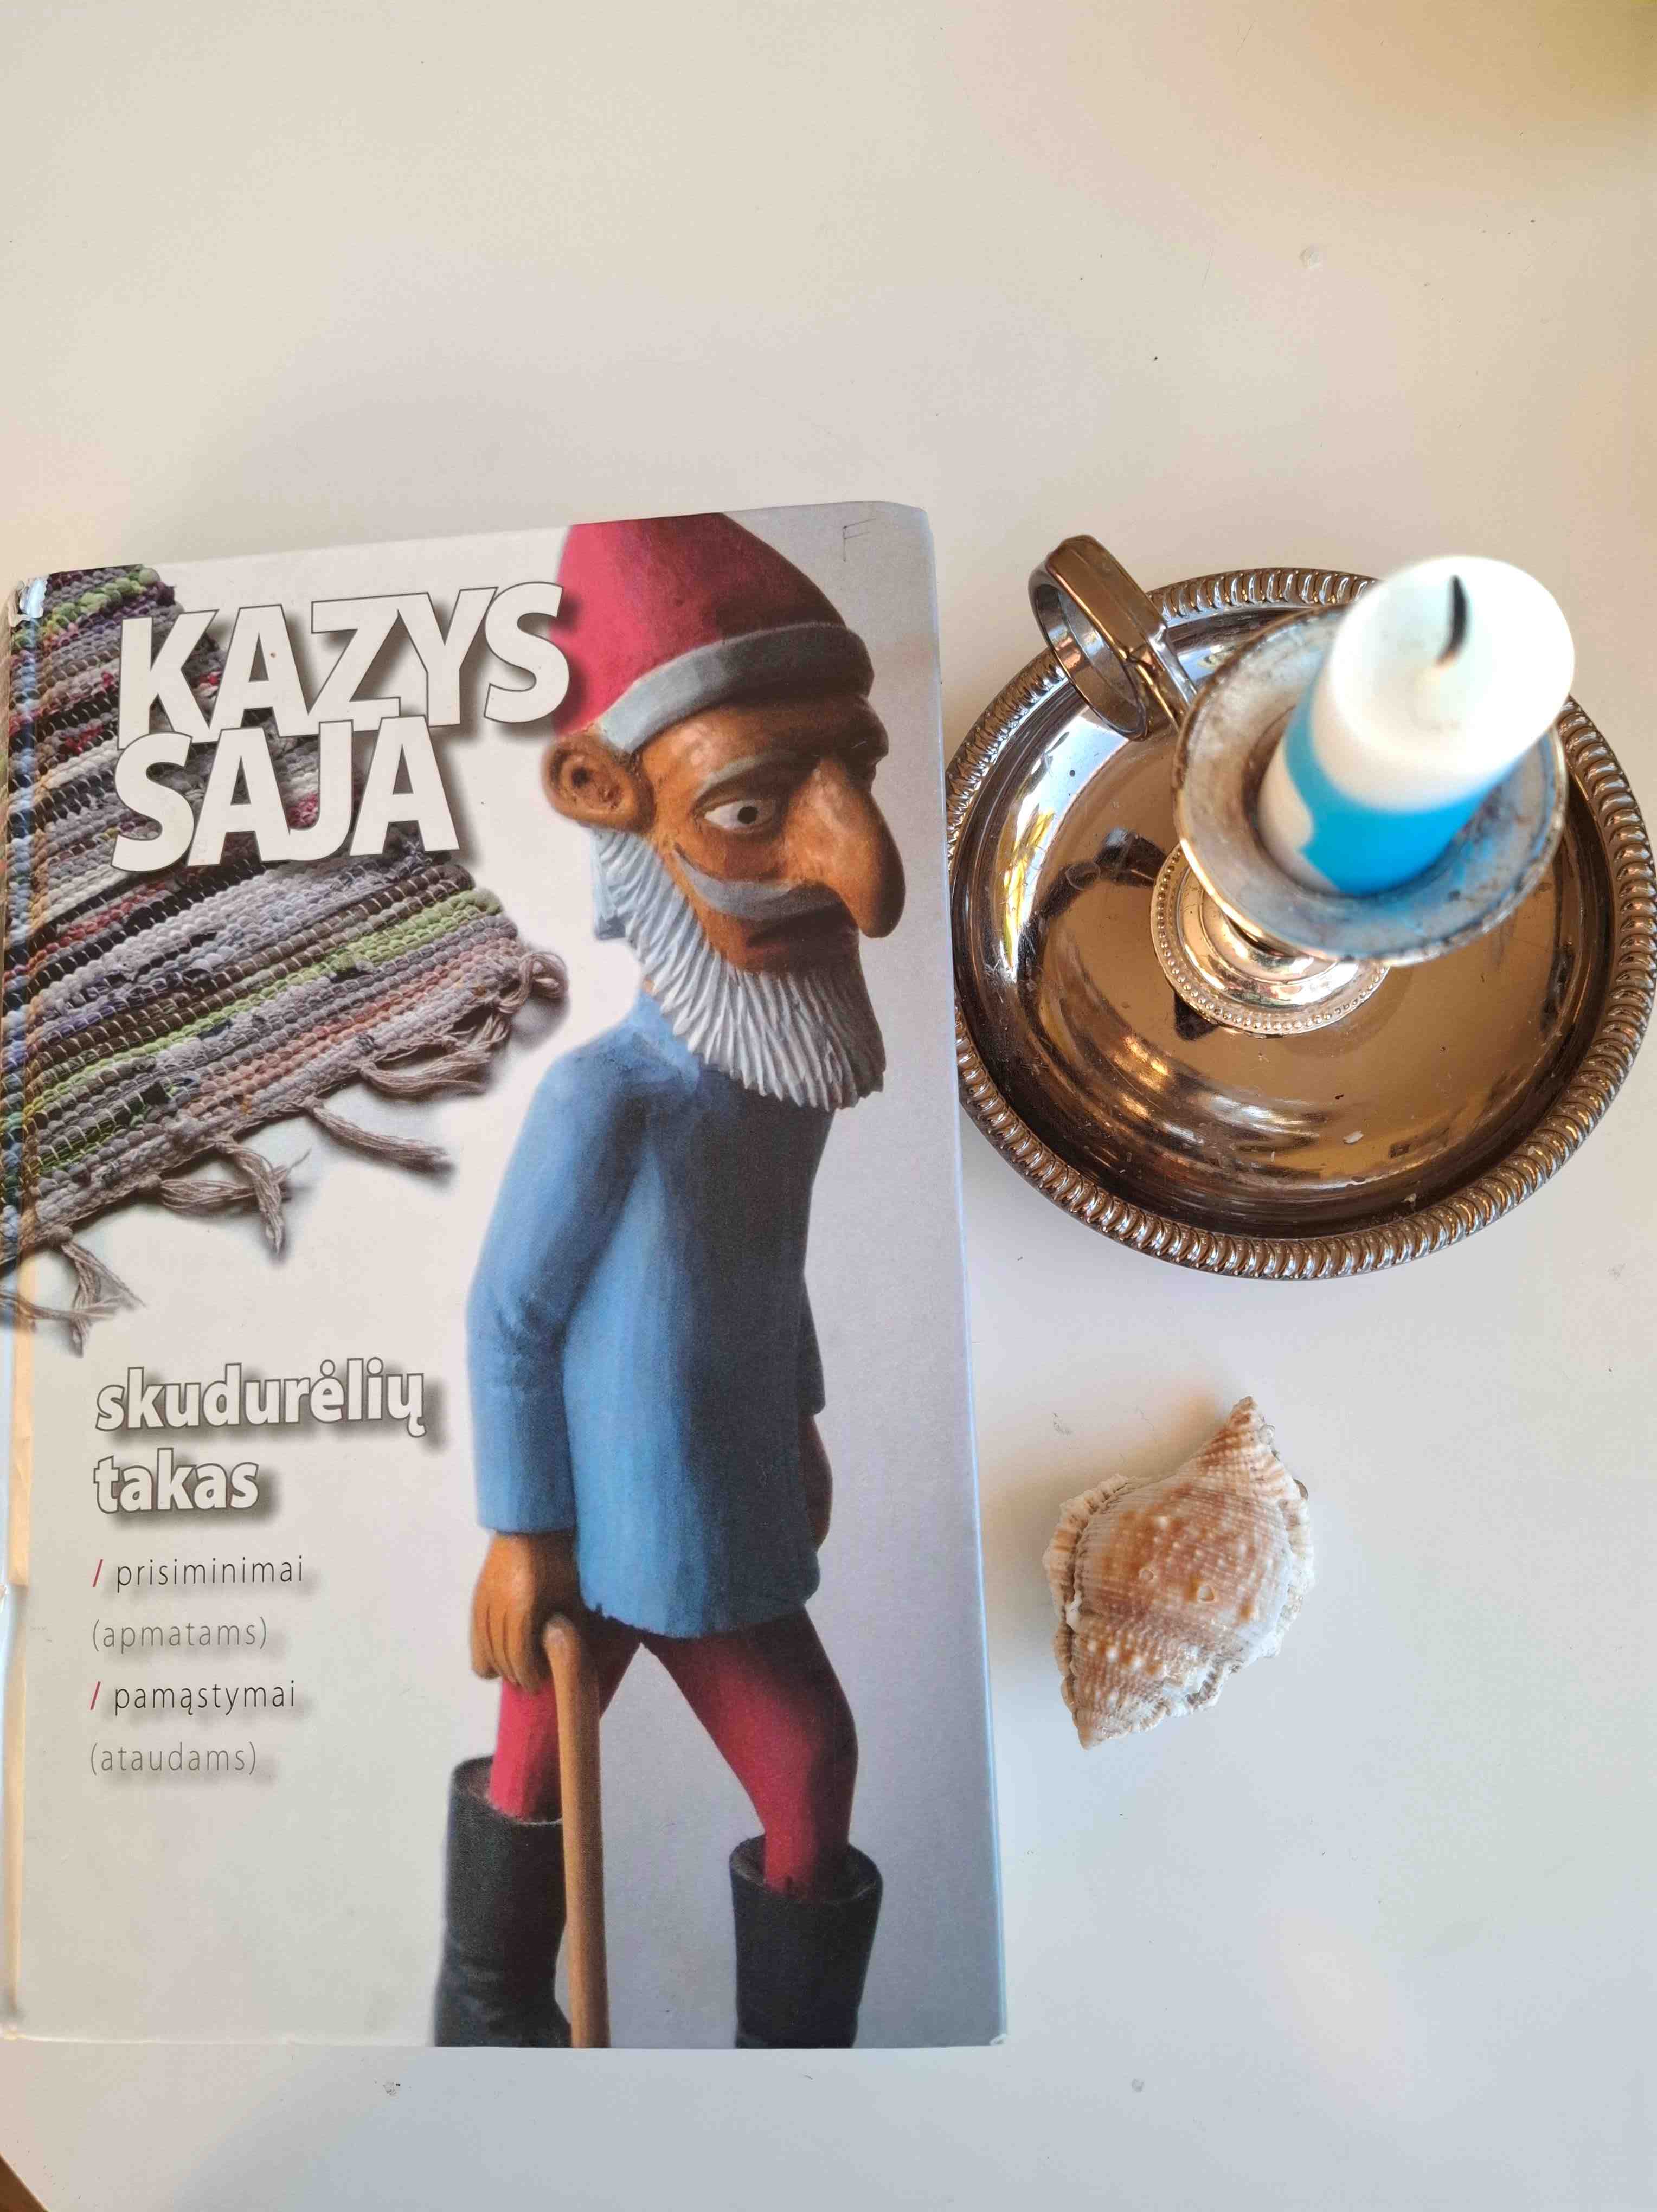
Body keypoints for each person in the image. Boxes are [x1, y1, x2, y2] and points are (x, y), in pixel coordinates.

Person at [433, 513, 904, 2049]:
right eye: (754, 807)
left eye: (853, 778)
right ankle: (491, 2018)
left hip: (718, 1507)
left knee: (800, 1768)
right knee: (551, 1771)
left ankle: (786, 2086)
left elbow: (773, 1264)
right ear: (606, 796)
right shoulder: (610, 1099)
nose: (860, 875)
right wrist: (522, 1532)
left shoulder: (777, 1089)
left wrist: (800, 1416)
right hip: (604, 1522)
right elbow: (510, 1318)